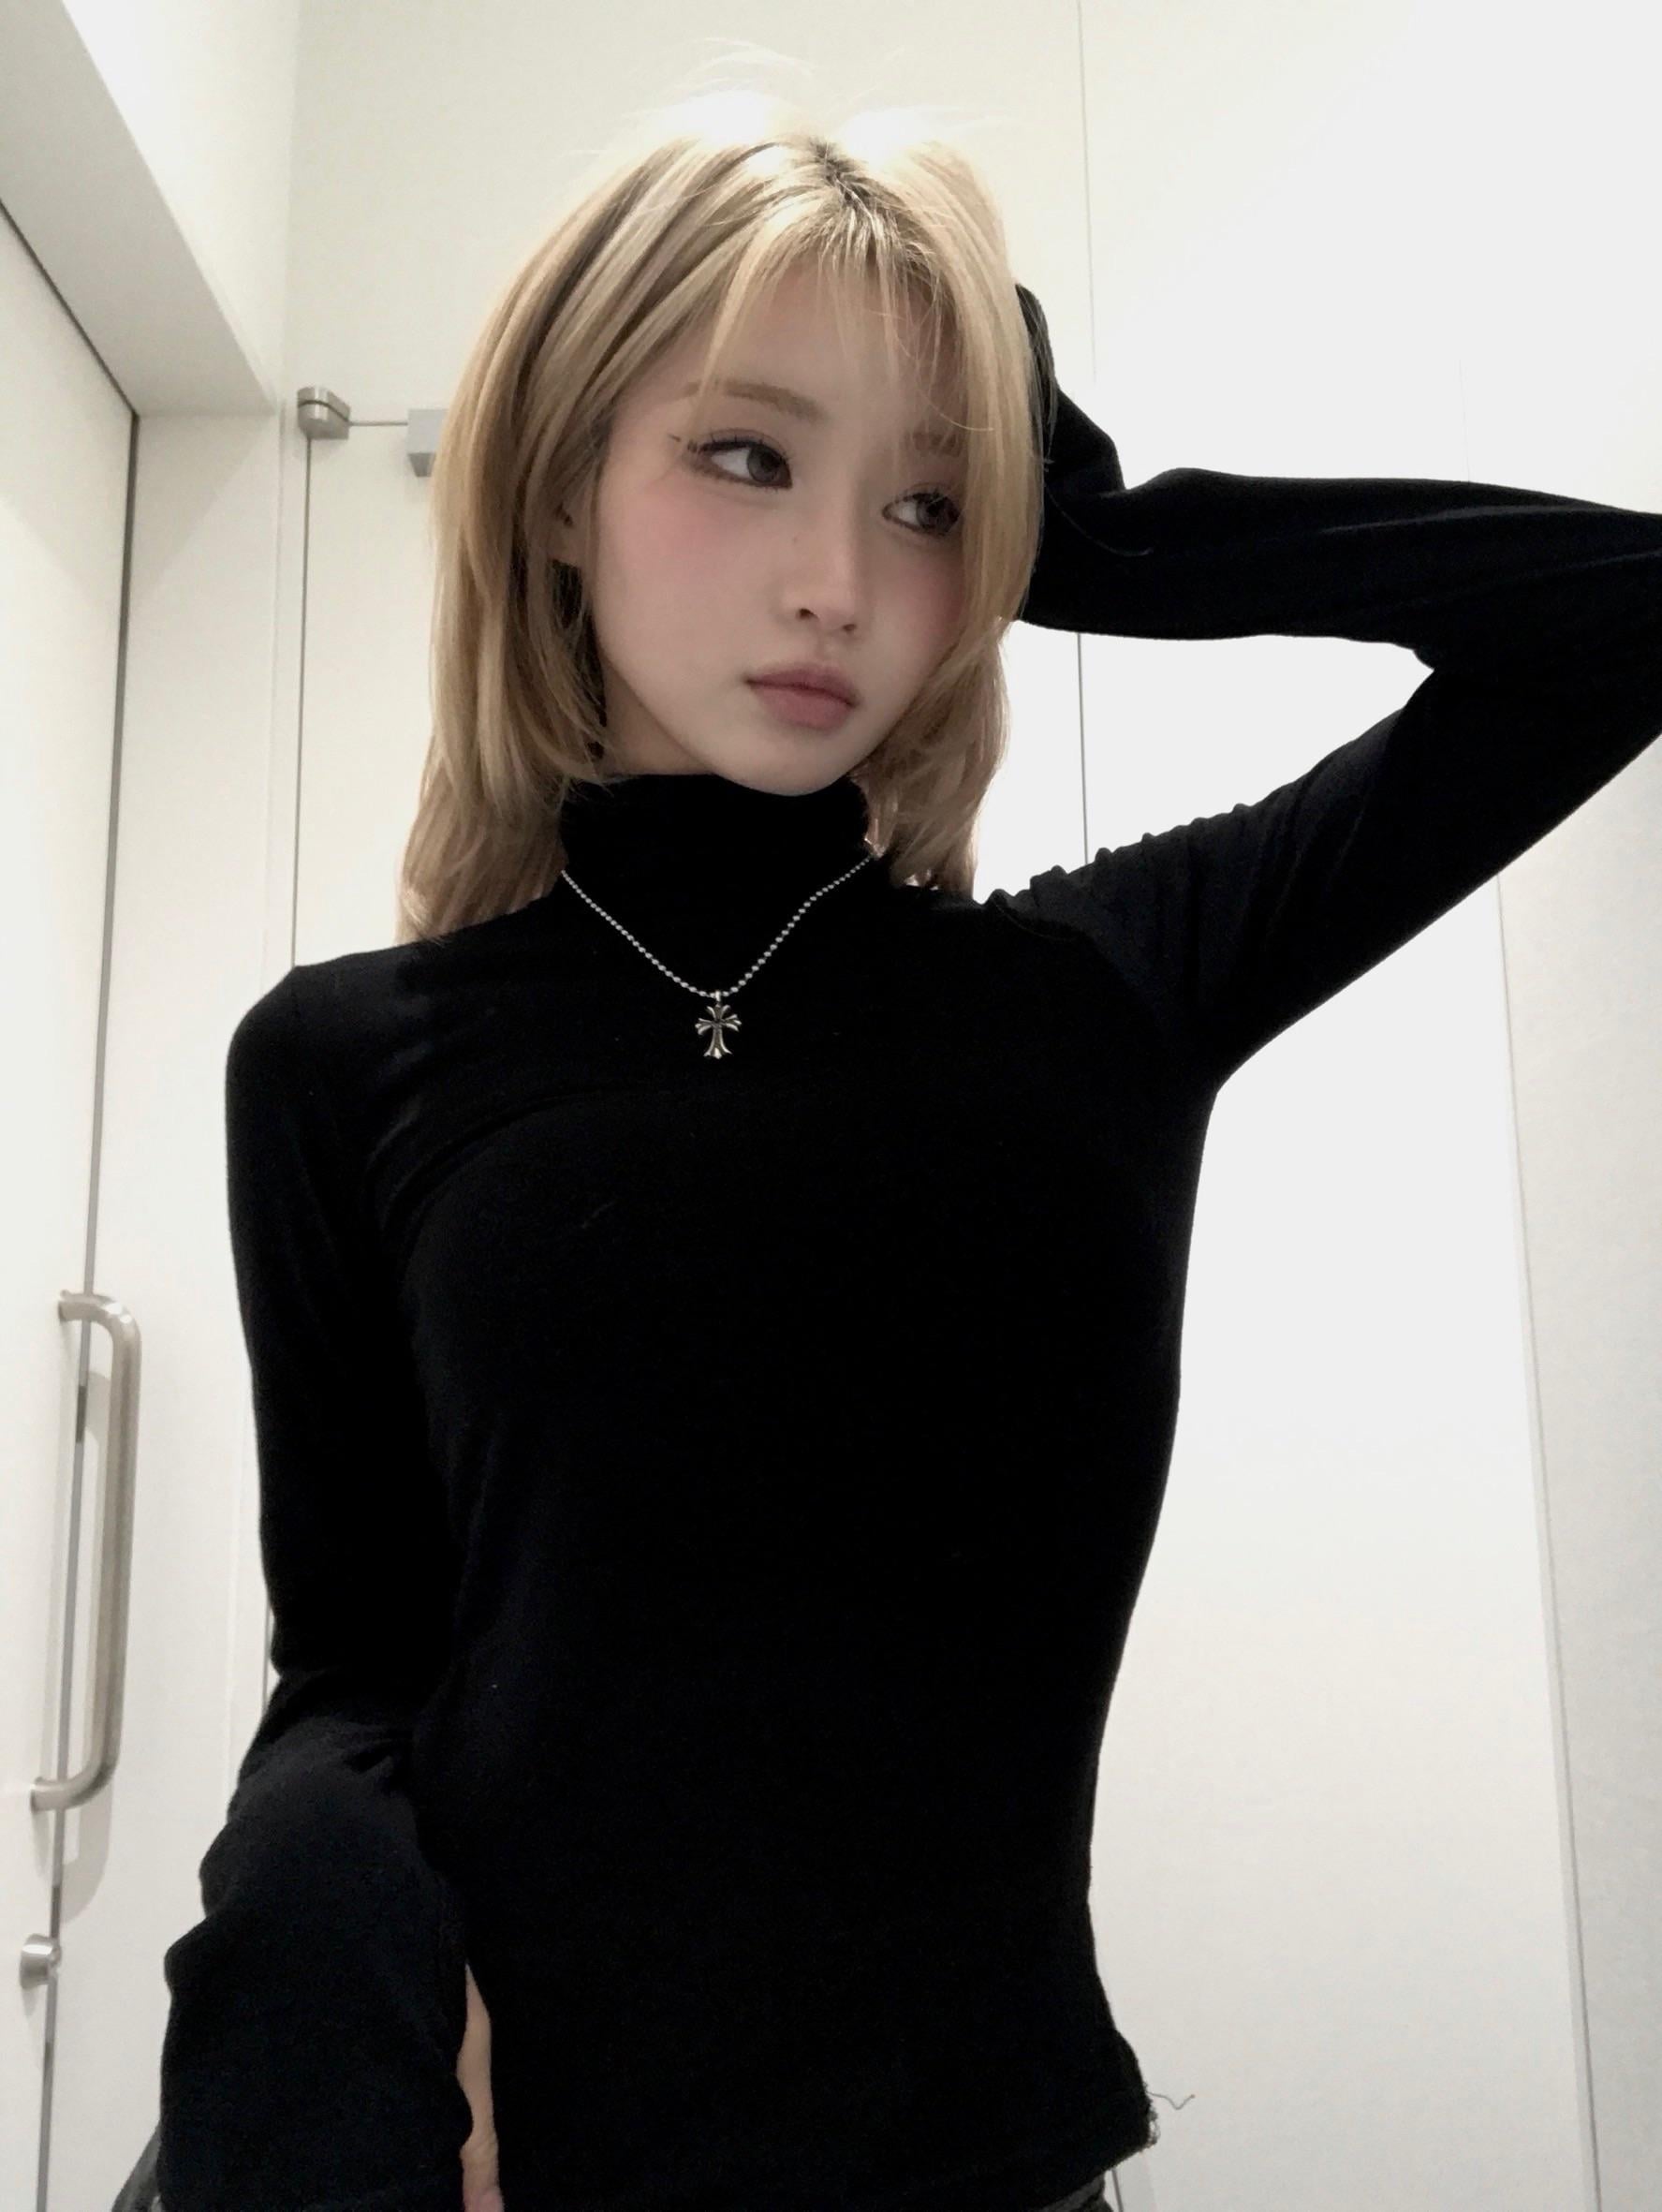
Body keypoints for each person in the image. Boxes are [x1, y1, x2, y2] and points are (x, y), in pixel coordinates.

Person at [144, 85, 1662, 2212]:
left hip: (988, 2159)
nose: (840, 582)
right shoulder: (338, 1058)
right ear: (560, 483)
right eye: (746, 456)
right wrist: (333, 1981)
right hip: (518, 2156)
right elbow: (351, 1672)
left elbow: (1624, 616)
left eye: (931, 505)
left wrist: (1119, 542)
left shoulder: (1102, 993)